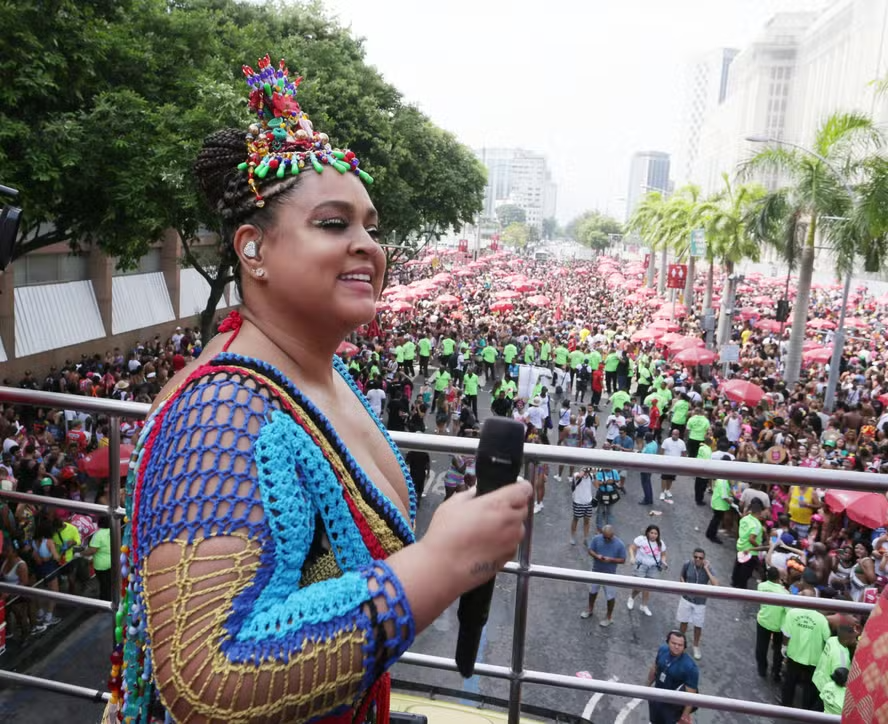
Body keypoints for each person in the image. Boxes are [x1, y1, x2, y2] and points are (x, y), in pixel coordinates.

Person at [105, 56, 532, 724]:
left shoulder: (329, 378)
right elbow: (207, 679)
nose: (368, 245)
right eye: (334, 224)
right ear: (253, 250)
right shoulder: (220, 415)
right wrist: (444, 561)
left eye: (371, 225)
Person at [646, 630, 699, 724]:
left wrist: (685, 716)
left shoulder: (690, 667)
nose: (676, 647)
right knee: (654, 720)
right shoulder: (662, 650)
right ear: (668, 642)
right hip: (657, 696)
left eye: (680, 645)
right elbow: (655, 668)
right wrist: (646, 686)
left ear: (684, 647)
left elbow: (691, 695)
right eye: (673, 643)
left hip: (673, 705)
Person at [677, 548, 718, 661]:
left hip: (700, 602)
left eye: (700, 558)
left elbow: (716, 584)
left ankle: (695, 646)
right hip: (686, 598)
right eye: (695, 557)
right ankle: (681, 644)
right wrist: (684, 586)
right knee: (683, 622)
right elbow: (681, 576)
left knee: (698, 625)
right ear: (693, 557)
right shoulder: (687, 564)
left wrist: (706, 569)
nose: (697, 559)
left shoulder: (707, 567)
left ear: (704, 559)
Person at [581, 524, 626, 627]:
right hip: (596, 571)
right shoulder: (597, 539)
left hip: (610, 574)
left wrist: (611, 559)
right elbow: (590, 550)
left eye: (608, 538)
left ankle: (609, 617)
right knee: (592, 592)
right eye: (604, 537)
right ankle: (590, 609)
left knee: (610, 597)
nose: (606, 539)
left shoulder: (620, 544)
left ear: (613, 535)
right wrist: (597, 556)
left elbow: (623, 559)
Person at [756, 566, 789, 682]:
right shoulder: (784, 593)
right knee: (778, 651)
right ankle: (776, 672)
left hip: (763, 622)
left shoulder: (761, 586)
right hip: (778, 626)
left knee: (761, 648)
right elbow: (788, 611)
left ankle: (762, 669)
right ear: (778, 578)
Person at [628, 524, 667, 617]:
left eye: (656, 533)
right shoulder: (641, 540)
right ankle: (631, 597)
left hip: (653, 568)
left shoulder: (660, 543)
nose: (653, 535)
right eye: (652, 533)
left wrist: (664, 562)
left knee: (648, 587)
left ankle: (644, 605)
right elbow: (631, 548)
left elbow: (663, 554)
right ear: (648, 533)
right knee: (639, 586)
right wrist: (632, 557)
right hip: (641, 566)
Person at [732, 499, 767, 589]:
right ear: (759, 512)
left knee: (738, 565)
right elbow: (752, 539)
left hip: (741, 545)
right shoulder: (757, 525)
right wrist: (759, 547)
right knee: (746, 571)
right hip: (750, 551)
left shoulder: (745, 518)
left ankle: (734, 582)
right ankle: (741, 587)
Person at [570, 467, 596, 546]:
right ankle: (572, 536)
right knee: (576, 519)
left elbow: (596, 485)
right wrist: (585, 471)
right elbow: (579, 476)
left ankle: (586, 538)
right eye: (585, 470)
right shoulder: (576, 475)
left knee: (587, 521)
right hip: (578, 502)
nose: (587, 472)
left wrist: (595, 475)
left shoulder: (591, 476)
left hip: (588, 502)